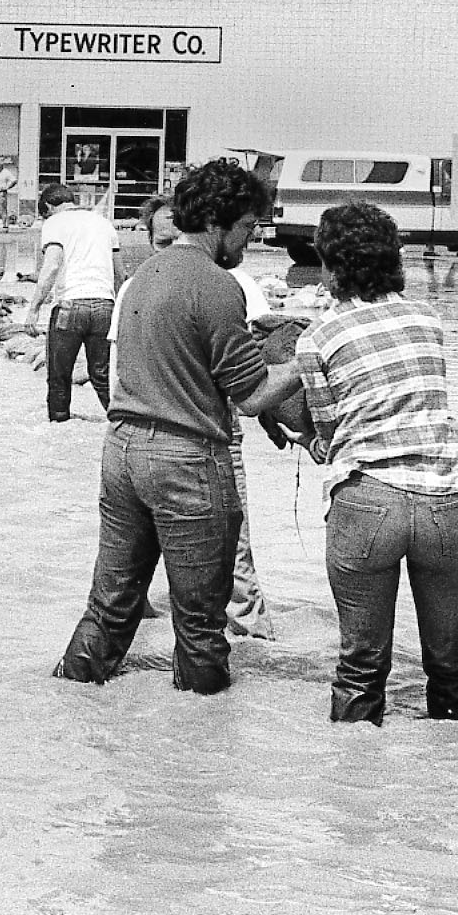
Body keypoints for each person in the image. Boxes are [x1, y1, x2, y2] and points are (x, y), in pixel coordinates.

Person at [53, 158, 303, 696]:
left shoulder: (143, 275)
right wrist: (308, 360)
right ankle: (203, 736)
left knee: (110, 607)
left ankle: (68, 701)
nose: (251, 239)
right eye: (247, 227)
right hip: (186, 460)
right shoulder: (218, 284)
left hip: (121, 452)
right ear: (218, 221)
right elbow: (252, 396)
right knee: (200, 624)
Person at [292, 202, 458, 724]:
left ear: (331, 266)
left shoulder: (317, 338)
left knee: (359, 668)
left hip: (367, 500)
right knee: (457, 666)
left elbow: (330, 433)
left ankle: (354, 769)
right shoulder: (427, 318)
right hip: (445, 501)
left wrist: (306, 439)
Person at [127, 195, 273, 640]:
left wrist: (281, 423)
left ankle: (246, 634)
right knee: (195, 570)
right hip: (176, 444)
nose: (171, 249)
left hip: (194, 438)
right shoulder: (141, 284)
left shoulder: (234, 283)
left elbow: (258, 363)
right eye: (161, 242)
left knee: (228, 556)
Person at [24, 183, 120, 422]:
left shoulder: (54, 223)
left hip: (70, 307)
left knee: (59, 376)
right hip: (105, 307)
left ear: (48, 206)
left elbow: (52, 266)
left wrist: (34, 309)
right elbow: (120, 274)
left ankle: (58, 425)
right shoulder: (104, 223)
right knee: (102, 375)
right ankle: (123, 421)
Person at [0, 162, 19, 231]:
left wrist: (7, 187)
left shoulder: (6, 172)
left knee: (3, 210)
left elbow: (14, 181)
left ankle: (5, 226)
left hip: (1, 193)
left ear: (1, 165)